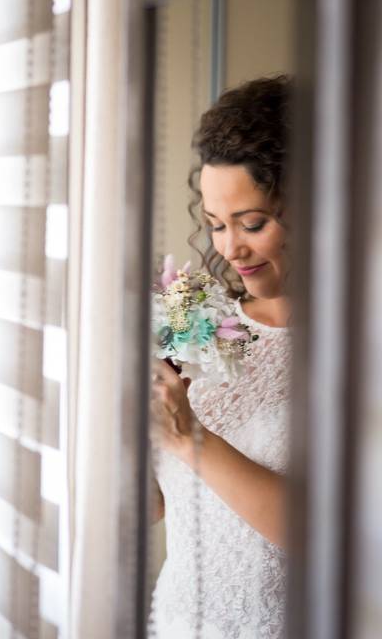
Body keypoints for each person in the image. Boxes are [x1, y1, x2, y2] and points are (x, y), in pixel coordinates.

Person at [149, 75, 292, 638]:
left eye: (252, 223)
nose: (230, 249)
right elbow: (155, 510)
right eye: (215, 225)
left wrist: (191, 438)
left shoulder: (356, 347)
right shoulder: (197, 326)